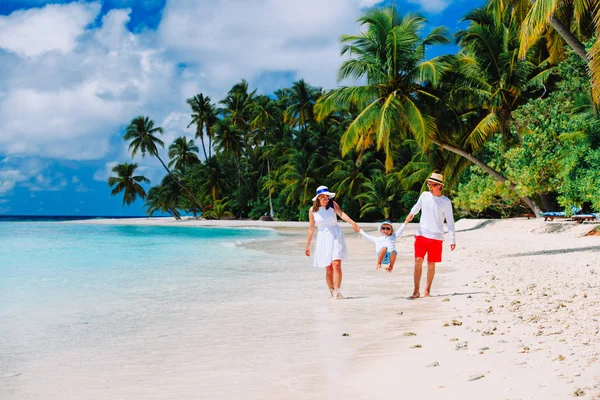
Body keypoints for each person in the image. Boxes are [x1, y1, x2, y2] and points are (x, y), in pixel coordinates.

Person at [406, 173, 456, 299]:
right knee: (418, 261)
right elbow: (417, 207)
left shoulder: (445, 202)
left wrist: (452, 239)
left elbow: (450, 221)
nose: (430, 187)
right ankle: (416, 291)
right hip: (421, 235)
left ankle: (427, 290)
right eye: (429, 184)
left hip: (436, 237)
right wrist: (411, 214)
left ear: (439, 186)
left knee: (431, 264)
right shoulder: (424, 195)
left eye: (432, 185)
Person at [305, 185, 360, 299]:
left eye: (327, 196)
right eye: (323, 197)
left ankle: (337, 291)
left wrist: (353, 223)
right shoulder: (312, 210)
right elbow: (311, 228)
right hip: (323, 238)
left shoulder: (332, 205)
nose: (326, 199)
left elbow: (342, 214)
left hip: (335, 235)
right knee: (328, 268)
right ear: (318, 198)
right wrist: (307, 246)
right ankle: (332, 292)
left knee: (336, 264)